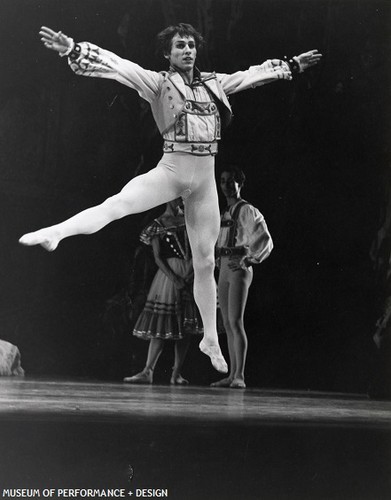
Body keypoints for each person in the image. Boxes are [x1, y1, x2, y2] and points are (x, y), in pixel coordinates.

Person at [19, 23, 321, 373]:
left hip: (205, 179)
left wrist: (291, 66)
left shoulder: (213, 83)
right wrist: (73, 48)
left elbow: (250, 77)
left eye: (191, 45)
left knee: (206, 262)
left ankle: (210, 337)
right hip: (172, 170)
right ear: (168, 53)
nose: (188, 50)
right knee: (118, 204)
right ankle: (57, 232)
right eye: (180, 46)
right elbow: (119, 67)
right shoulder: (157, 82)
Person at [124, 198, 202, 385]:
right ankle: (147, 370)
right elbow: (158, 257)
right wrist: (174, 278)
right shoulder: (159, 224)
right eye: (177, 197)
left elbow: (201, 249)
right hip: (169, 275)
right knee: (161, 326)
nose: (181, 201)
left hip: (192, 271)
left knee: (186, 326)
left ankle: (176, 373)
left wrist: (193, 273)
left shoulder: (191, 220)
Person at [212, 167, 273, 388]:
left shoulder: (247, 210)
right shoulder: (224, 212)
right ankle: (231, 374)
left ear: (240, 184)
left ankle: (240, 376)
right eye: (223, 181)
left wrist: (248, 259)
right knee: (227, 323)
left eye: (231, 181)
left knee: (236, 322)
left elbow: (265, 239)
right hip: (226, 267)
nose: (226, 185)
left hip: (239, 268)